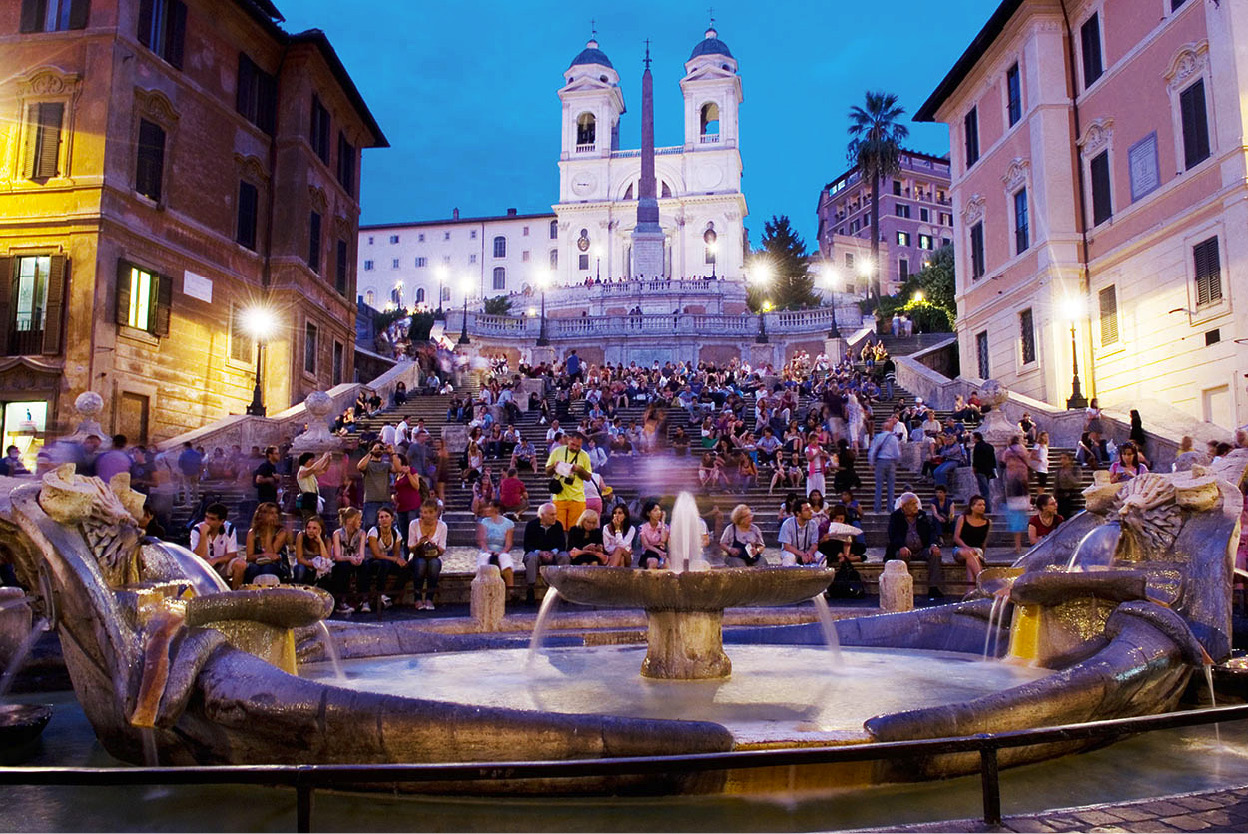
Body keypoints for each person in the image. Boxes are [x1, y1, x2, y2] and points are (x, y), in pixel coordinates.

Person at [886, 492, 944, 599]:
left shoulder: (922, 515)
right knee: (901, 555)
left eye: (916, 503)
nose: (916, 506)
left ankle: (934, 587)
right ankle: (903, 587)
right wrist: (901, 546)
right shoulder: (896, 517)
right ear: (904, 506)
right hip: (905, 549)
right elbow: (893, 535)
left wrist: (933, 544)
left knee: (935, 554)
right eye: (913, 504)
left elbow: (932, 531)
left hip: (922, 549)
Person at [545, 430, 593, 532]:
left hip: (577, 498)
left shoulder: (584, 456)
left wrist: (579, 470)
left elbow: (588, 477)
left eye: (578, 446)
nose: (575, 448)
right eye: (573, 445)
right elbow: (547, 472)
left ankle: (573, 548)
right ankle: (560, 548)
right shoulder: (557, 451)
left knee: (575, 530)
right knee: (558, 530)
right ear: (568, 440)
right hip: (559, 496)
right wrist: (554, 466)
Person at [522, 502, 568, 604]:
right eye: (552, 514)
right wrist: (540, 553)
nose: (555, 517)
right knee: (531, 557)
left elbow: (562, 545)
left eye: (555, 514)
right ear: (542, 515)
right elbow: (527, 545)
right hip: (537, 554)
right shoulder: (531, 525)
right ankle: (531, 588)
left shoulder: (558, 525)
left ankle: (562, 588)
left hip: (553, 554)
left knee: (564, 556)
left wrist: (553, 552)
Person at [189, 502, 241, 585]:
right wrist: (203, 535)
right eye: (206, 517)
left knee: (240, 564)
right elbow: (198, 555)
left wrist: (215, 560)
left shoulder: (229, 528)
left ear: (222, 521)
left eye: (212, 519)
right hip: (203, 565)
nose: (207, 522)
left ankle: (236, 593)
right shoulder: (197, 529)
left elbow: (232, 554)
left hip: (222, 564)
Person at [407, 499, 446, 610]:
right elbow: (410, 548)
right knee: (421, 564)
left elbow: (442, 550)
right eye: (424, 512)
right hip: (417, 556)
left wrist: (433, 544)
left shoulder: (442, 526)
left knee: (434, 564)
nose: (426, 515)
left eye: (429, 512)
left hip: (434, 556)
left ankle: (429, 598)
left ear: (435, 513)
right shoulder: (414, 524)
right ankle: (418, 598)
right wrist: (419, 543)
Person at [331, 506, 368, 615]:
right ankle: (342, 601)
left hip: (354, 560)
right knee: (343, 566)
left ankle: (364, 600)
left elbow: (362, 554)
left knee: (364, 565)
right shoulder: (337, 534)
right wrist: (350, 558)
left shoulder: (362, 533)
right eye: (358, 519)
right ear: (349, 521)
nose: (360, 522)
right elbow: (337, 556)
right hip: (342, 561)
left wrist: (358, 559)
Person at [366, 507, 404, 609]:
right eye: (381, 517)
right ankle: (380, 593)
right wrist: (395, 559)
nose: (384, 519)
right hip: (372, 562)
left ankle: (391, 596)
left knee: (405, 569)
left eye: (386, 516)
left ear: (392, 518)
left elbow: (396, 554)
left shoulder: (396, 534)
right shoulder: (373, 531)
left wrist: (399, 560)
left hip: (386, 561)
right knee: (384, 563)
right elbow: (376, 555)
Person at [477, 499, 517, 597]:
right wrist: (487, 550)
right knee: (483, 559)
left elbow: (508, 544)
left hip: (501, 550)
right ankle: (481, 590)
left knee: (506, 560)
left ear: (496, 509)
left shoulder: (509, 524)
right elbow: (481, 541)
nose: (486, 509)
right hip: (487, 549)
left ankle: (511, 591)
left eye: (489, 506)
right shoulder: (484, 522)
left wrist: (502, 552)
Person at [244, 502, 289, 588]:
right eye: (272, 513)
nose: (275, 516)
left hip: (276, 564)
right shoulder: (252, 533)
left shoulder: (281, 532)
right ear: (262, 515)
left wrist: (269, 532)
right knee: (253, 569)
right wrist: (263, 555)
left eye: (276, 513)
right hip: (257, 563)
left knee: (267, 568)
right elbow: (249, 557)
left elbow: (271, 553)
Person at [1000, 436, 1032, 556]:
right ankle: (1023, 543)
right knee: (1020, 514)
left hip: (1011, 480)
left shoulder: (1008, 451)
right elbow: (1028, 461)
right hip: (1023, 479)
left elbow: (1002, 461)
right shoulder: (1023, 449)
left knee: (1016, 515)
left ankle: (1017, 545)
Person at [357, 441, 398, 530]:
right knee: (369, 526)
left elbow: (397, 469)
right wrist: (371, 452)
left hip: (385, 500)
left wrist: (393, 453)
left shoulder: (386, 465)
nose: (379, 450)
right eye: (377, 448)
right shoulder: (368, 464)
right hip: (370, 500)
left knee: (386, 527)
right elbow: (360, 466)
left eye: (381, 448)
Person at [952, 495, 991, 585]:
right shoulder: (963, 518)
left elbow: (984, 542)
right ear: (972, 507)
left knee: (971, 558)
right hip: (961, 549)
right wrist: (967, 548)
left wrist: (983, 555)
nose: (982, 507)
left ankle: (970, 590)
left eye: (984, 505)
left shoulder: (987, 522)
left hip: (977, 551)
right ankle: (983, 582)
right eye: (979, 505)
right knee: (969, 553)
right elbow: (956, 537)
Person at [867, 416, 901, 513]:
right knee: (891, 486)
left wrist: (871, 463)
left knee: (879, 486)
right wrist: (896, 462)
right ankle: (890, 508)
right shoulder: (894, 438)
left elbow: (873, 450)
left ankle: (877, 508)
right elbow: (897, 453)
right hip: (891, 462)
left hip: (881, 461)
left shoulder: (878, 437)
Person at [778, 498, 822, 566]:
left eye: (810, 509)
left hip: (807, 551)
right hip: (792, 552)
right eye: (807, 510)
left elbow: (815, 544)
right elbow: (787, 546)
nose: (811, 512)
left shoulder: (813, 524)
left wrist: (809, 553)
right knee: (789, 557)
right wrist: (802, 554)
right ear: (798, 513)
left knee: (820, 557)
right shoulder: (787, 524)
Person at [293, 516, 334, 587]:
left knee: (327, 573)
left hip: (320, 569)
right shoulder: (301, 536)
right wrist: (314, 565)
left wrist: (320, 541)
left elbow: (326, 560)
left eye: (314, 528)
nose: (310, 531)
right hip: (305, 565)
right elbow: (299, 559)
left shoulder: (327, 540)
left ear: (321, 529)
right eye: (308, 528)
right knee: (300, 569)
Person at [295, 452, 332, 520]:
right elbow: (314, 468)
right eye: (311, 459)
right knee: (309, 519)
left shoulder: (310, 473)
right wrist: (323, 458)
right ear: (306, 461)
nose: (313, 461)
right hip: (307, 499)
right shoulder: (302, 472)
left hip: (313, 499)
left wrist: (328, 461)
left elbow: (323, 470)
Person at [638, 501, 670, 569]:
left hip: (662, 551)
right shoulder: (643, 528)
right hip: (649, 552)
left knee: (667, 564)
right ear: (648, 513)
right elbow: (646, 545)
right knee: (653, 562)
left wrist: (663, 522)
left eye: (659, 510)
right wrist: (658, 551)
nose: (658, 512)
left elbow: (663, 539)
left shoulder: (664, 527)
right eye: (655, 510)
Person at [970, 432, 997, 512]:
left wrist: (974, 469)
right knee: (986, 490)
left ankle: (987, 509)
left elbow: (975, 460)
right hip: (988, 471)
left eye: (973, 438)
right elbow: (993, 460)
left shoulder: (977, 447)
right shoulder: (989, 446)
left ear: (976, 438)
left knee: (984, 491)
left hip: (980, 471)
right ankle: (987, 507)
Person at [1053, 452, 1082, 519]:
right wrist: (1054, 495)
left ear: (1070, 460)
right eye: (1061, 458)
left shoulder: (1076, 469)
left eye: (1064, 458)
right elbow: (1056, 483)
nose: (1062, 460)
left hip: (1073, 496)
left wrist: (1068, 474)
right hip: (1061, 496)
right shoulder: (1059, 470)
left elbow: (1077, 482)